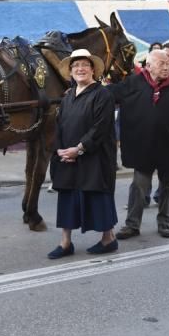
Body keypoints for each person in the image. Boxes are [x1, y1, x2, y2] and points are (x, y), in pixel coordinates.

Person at [112, 49, 169, 240]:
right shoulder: (134, 83)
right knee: (139, 186)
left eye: (168, 63)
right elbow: (110, 94)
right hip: (143, 146)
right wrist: (87, 89)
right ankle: (132, 225)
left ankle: (164, 223)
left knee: (168, 186)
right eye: (161, 63)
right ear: (149, 66)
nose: (167, 67)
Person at [47, 48, 119, 259]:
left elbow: (100, 127)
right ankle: (65, 242)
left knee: (98, 196)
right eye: (76, 66)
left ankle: (108, 239)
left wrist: (79, 149)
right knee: (68, 197)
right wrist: (61, 150)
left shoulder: (102, 94)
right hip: (68, 157)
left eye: (85, 65)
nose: (80, 69)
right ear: (70, 72)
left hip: (94, 157)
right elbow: (59, 125)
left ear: (93, 70)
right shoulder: (68, 97)